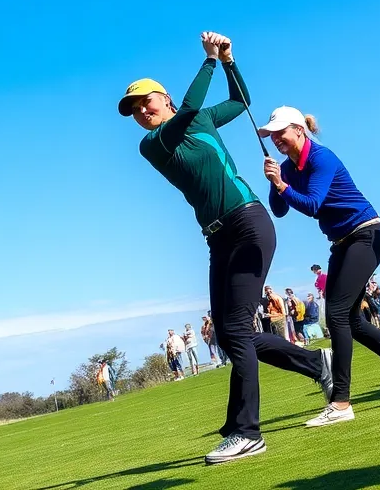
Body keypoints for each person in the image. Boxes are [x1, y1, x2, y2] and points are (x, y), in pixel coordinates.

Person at [121, 32, 330, 465]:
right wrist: (210, 60)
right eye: (135, 109)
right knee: (235, 333)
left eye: (147, 101)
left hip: (248, 221)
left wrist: (227, 61)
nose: (142, 111)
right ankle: (316, 365)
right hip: (218, 237)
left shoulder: (199, 118)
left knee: (236, 332)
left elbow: (240, 100)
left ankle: (246, 432)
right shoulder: (153, 143)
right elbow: (193, 107)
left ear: (165, 98)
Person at [260, 106, 380, 427]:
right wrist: (275, 181)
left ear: (299, 130)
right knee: (349, 319)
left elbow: (312, 204)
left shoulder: (321, 158)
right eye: (272, 135)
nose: (276, 138)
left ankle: (341, 402)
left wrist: (283, 185)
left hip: (366, 233)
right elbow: (279, 210)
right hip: (342, 242)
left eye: (281, 132)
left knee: (336, 314)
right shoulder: (286, 166)